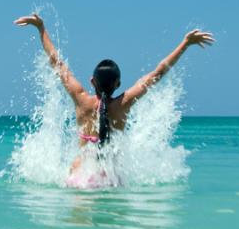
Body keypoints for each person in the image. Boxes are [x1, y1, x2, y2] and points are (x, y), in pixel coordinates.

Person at [13, 13, 215, 187]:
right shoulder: (123, 104)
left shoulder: (81, 99)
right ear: (118, 84)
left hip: (80, 178)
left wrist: (41, 28)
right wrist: (185, 44)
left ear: (92, 81)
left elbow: (57, 63)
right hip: (111, 179)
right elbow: (158, 73)